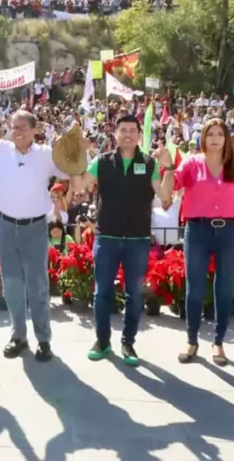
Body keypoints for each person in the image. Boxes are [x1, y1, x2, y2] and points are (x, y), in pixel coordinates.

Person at [0, 94, 75, 362]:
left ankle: (43, 339)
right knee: (11, 285)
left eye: (22, 127)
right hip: (6, 227)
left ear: (34, 130)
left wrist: (74, 149)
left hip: (34, 229)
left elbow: (72, 168)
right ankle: (18, 335)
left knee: (38, 287)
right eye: (13, 126)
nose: (17, 131)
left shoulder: (46, 155)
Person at [72, 114, 173, 366]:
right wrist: (77, 155)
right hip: (106, 238)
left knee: (134, 294)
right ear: (115, 134)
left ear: (139, 135)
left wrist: (169, 168)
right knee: (102, 292)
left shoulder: (149, 163)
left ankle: (128, 343)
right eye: (123, 129)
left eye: (132, 130)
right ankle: (102, 341)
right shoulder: (102, 162)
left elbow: (164, 195)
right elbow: (78, 185)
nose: (128, 134)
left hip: (138, 240)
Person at [172, 118, 234, 366]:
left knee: (224, 289)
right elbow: (173, 185)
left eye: (220, 134)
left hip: (230, 232)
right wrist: (167, 166)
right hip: (198, 230)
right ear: (202, 138)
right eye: (210, 134)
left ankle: (218, 342)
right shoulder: (192, 164)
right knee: (194, 289)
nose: (214, 138)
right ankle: (191, 340)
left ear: (227, 139)